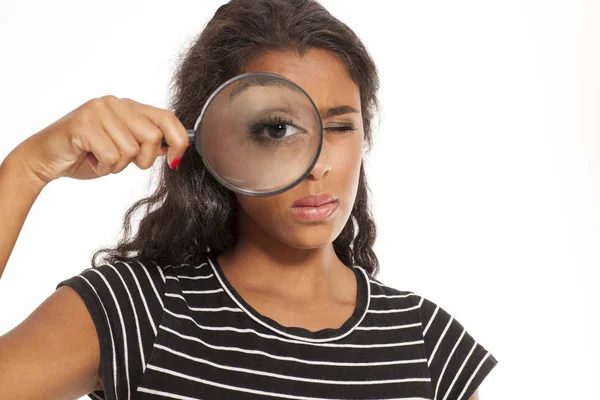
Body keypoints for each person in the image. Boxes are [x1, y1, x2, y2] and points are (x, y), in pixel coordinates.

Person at [0, 0, 497, 399]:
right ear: (214, 140)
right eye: (277, 128)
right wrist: (27, 169)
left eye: (342, 126)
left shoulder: (427, 346)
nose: (319, 162)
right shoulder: (138, 312)